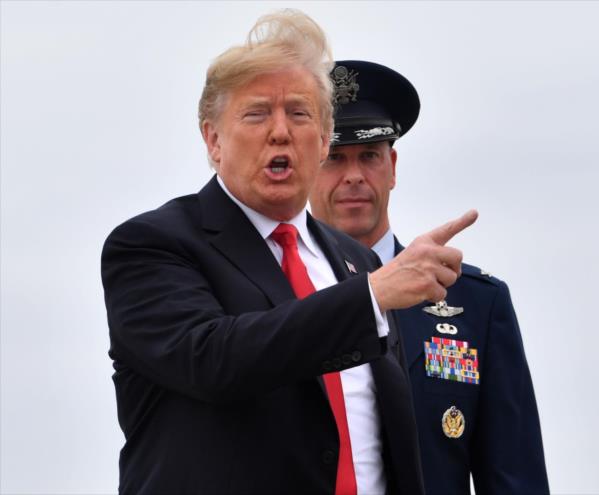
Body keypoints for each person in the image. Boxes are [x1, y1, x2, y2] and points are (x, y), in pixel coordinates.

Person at [101, 12, 477, 494]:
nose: (280, 132)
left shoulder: (355, 262)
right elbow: (214, 360)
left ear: (322, 141)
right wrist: (370, 296)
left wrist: (369, 289)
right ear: (213, 139)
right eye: (257, 113)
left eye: (299, 114)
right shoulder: (151, 245)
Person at [309, 60, 550, 495]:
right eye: (333, 159)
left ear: (393, 166)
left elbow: (515, 476)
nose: (354, 177)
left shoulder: (476, 303)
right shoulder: (273, 296)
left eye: (369, 156)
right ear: (307, 166)